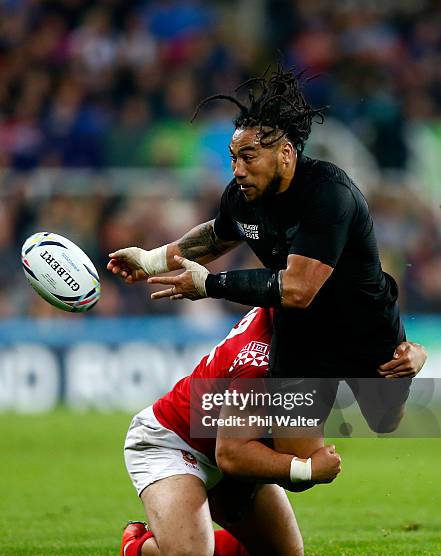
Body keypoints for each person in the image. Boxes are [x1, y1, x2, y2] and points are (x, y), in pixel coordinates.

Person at [108, 64, 416, 437]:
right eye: (234, 157)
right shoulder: (242, 197)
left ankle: (411, 356)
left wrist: (210, 285)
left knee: (384, 423)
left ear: (285, 154)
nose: (237, 169)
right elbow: (216, 237)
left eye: (249, 157)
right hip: (301, 333)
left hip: (363, 324)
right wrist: (150, 259)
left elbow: (299, 289)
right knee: (295, 464)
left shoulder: (329, 194)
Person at [121, 307, 426, 556]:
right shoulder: (261, 360)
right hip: (173, 442)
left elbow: (386, 421)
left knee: (284, 554)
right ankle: (136, 541)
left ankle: (187, 524)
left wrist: (407, 364)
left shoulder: (300, 321)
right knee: (189, 555)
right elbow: (230, 455)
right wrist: (307, 469)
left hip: (232, 445)